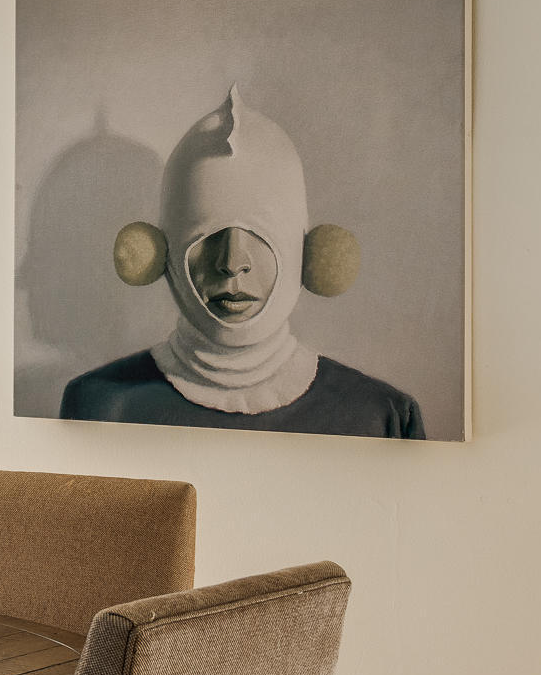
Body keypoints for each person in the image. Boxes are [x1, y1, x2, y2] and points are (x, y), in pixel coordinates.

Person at [61, 89, 424, 439]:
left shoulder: (383, 416)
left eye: (259, 235)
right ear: (160, 251)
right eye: (207, 235)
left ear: (306, 251)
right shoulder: (98, 405)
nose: (233, 263)